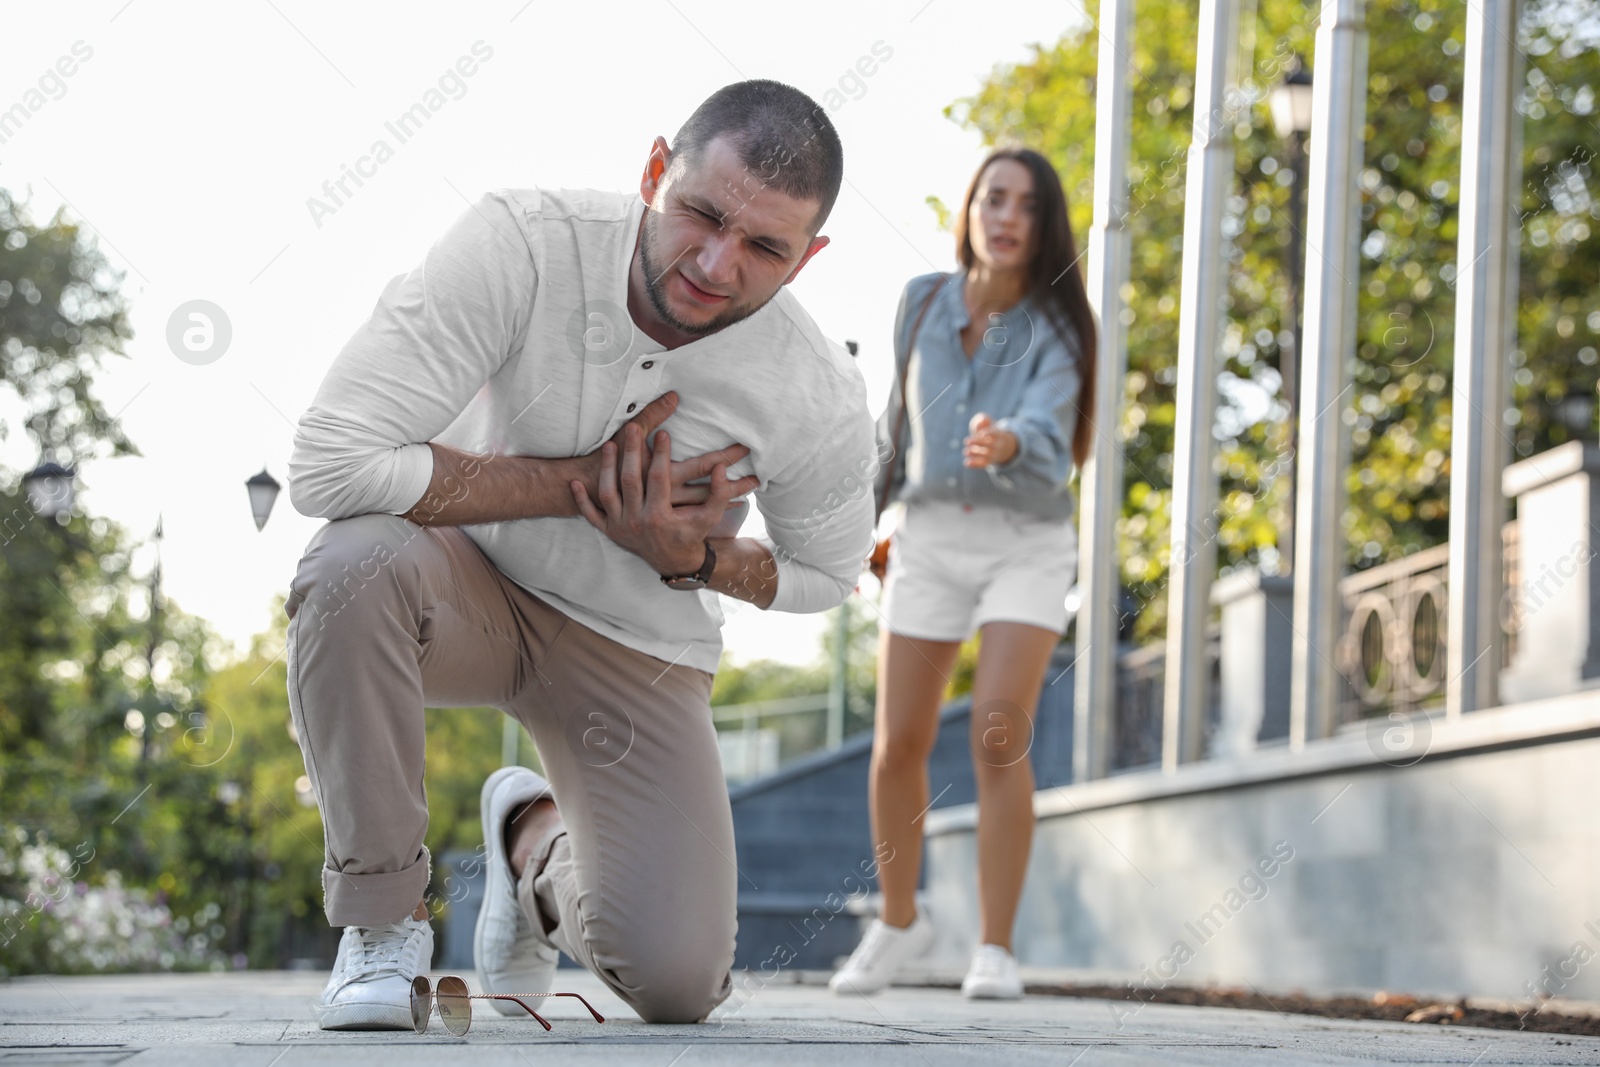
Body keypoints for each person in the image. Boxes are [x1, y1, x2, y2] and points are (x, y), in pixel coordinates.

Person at [284, 79, 878, 1029]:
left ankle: (528, 842)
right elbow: (327, 463)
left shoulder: (817, 391)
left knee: (679, 984)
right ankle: (384, 926)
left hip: (637, 647)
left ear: (807, 258)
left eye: (765, 246)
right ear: (654, 171)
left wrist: (692, 556)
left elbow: (824, 574)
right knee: (348, 563)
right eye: (702, 214)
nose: (718, 265)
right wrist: (580, 485)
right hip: (462, 585)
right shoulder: (523, 241)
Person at [830, 147, 1097, 1000]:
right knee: (898, 741)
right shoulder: (922, 302)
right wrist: (853, 528)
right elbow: (892, 429)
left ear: (1043, 222)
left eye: (1025, 204)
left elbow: (1051, 433)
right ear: (972, 210)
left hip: (1027, 538)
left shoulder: (1060, 328)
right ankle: (901, 925)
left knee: (995, 730)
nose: (1007, 216)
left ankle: (996, 946)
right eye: (993, 199)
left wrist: (1010, 440)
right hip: (932, 535)